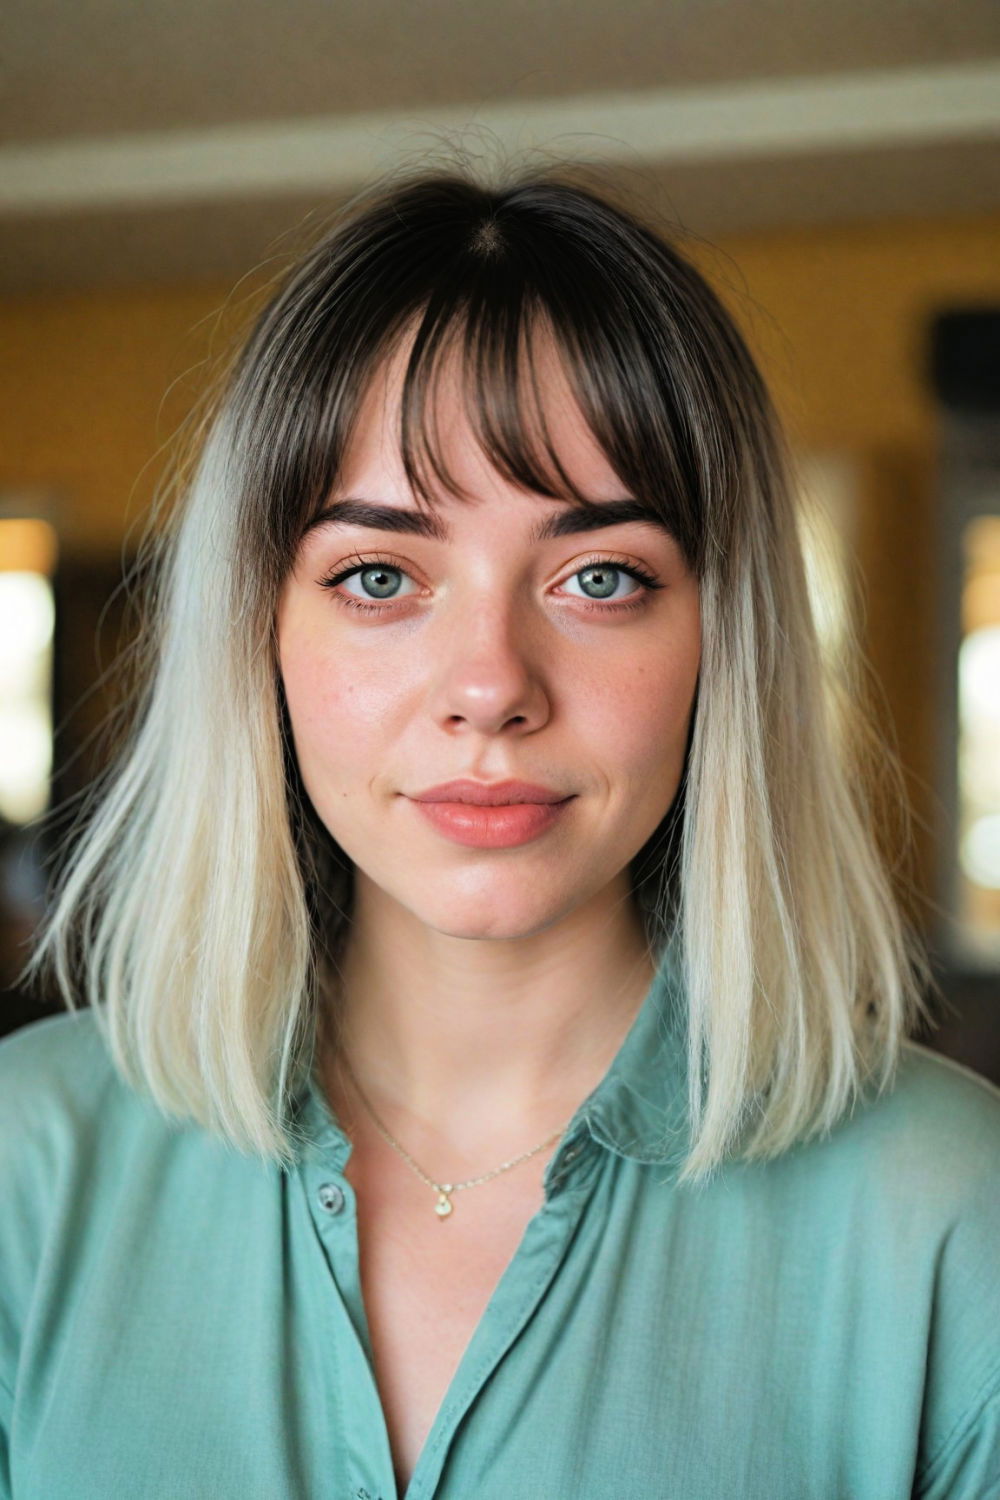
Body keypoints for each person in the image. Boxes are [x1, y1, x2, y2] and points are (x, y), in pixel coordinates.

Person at [1, 158, 998, 1500]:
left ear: (725, 640)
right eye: (378, 575)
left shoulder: (954, 1216)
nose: (490, 685)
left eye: (601, 577)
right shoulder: (24, 1166)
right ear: (257, 633)